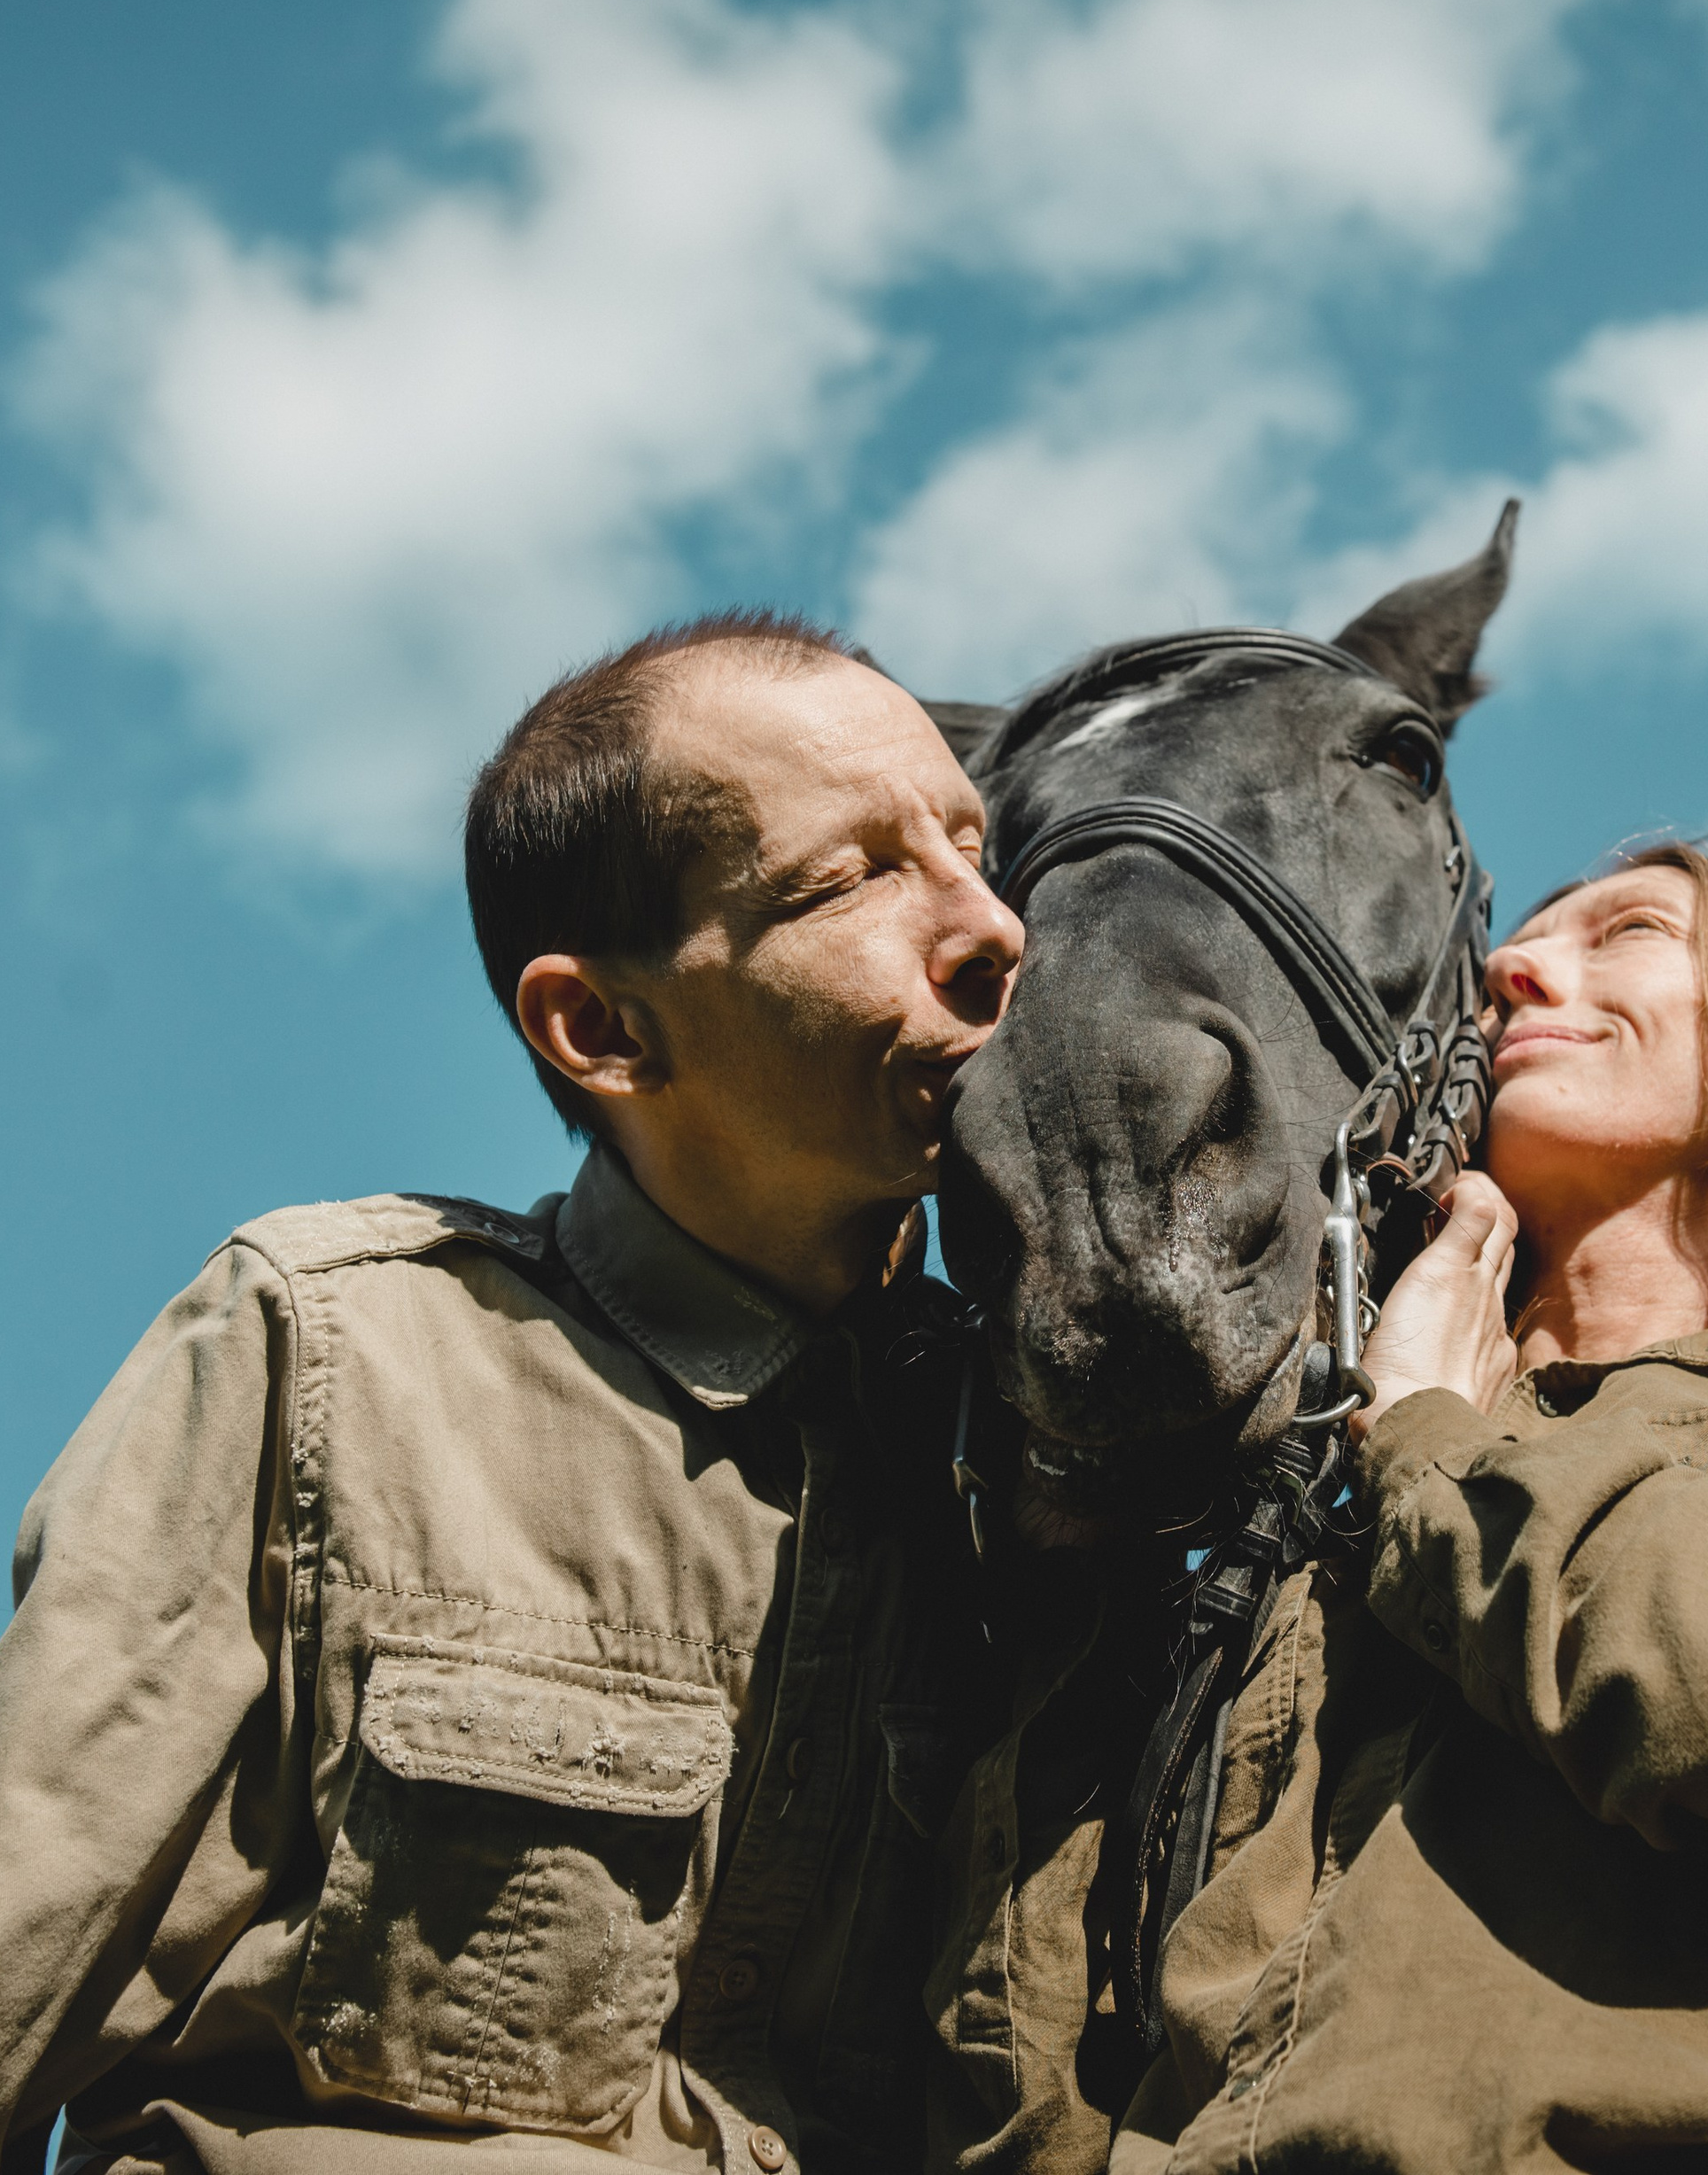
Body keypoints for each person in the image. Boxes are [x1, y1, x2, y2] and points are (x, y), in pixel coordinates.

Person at [0, 612, 1026, 2175]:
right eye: (850, 881)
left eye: (975, 849)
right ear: (601, 1030)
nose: (992, 927)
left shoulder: (1043, 1469)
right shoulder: (325, 1347)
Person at [994, 840, 1708, 2174]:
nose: (1514, 965)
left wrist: (1434, 1432)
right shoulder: (1316, 1540)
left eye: (1629, 932)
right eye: (1517, 961)